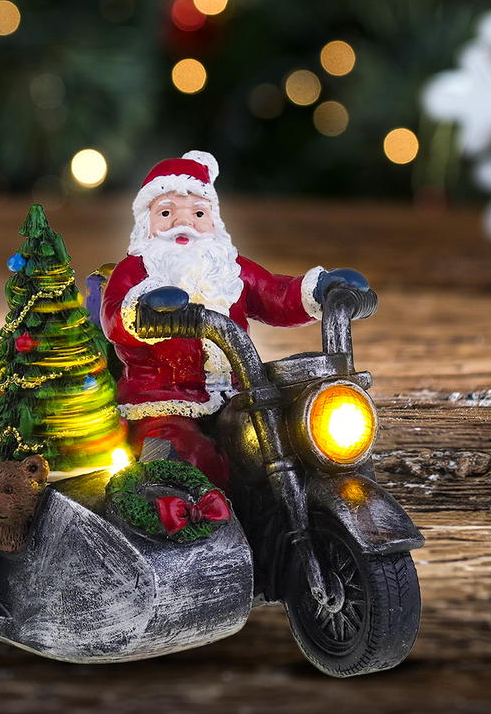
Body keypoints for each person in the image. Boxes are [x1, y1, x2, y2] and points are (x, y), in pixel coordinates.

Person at [99, 149, 365, 487]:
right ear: (146, 222)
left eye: (198, 212)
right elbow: (113, 317)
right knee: (187, 455)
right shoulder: (136, 270)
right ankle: (191, 513)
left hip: (235, 393)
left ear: (213, 220)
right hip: (161, 402)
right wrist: (145, 312)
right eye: (166, 212)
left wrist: (319, 291)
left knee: (278, 439)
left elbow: (275, 295)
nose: (184, 223)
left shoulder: (227, 268)